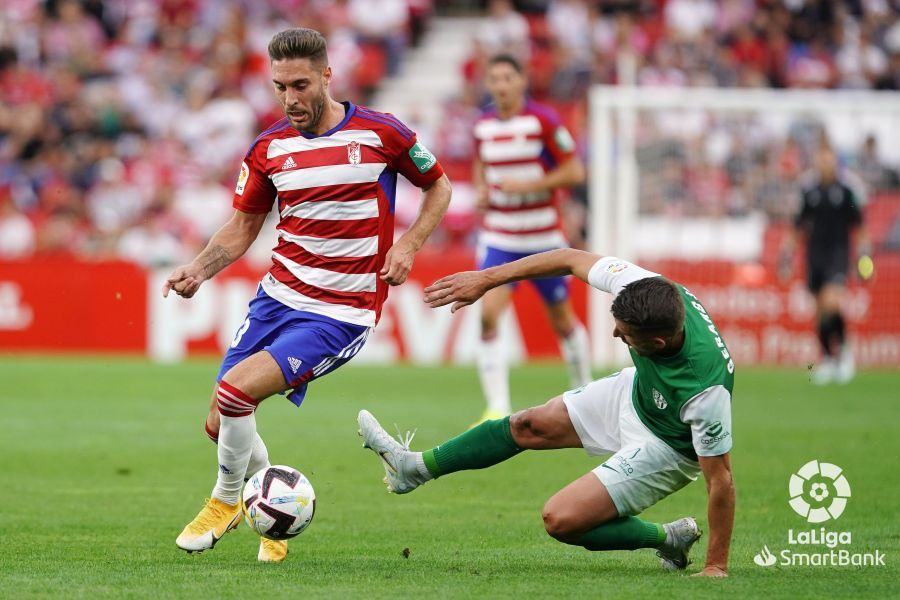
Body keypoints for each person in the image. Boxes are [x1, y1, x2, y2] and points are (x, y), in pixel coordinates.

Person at [165, 28, 451, 562]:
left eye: (300, 85)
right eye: (280, 87)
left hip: (341, 313)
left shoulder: (381, 133)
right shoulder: (269, 148)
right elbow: (242, 226)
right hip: (277, 298)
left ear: (326, 76)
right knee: (220, 420)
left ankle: (224, 501)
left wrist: (409, 244)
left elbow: (440, 185)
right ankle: (272, 524)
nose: (290, 98)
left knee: (235, 394)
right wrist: (199, 269)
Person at [358, 249, 735, 577]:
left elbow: (721, 481)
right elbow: (570, 259)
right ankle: (413, 468)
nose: (615, 335)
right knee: (527, 424)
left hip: (668, 446)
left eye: (625, 334)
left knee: (561, 520)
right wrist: (487, 279)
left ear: (658, 342)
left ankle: (668, 537)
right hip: (638, 392)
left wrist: (716, 567)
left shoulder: (705, 391)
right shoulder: (643, 288)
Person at [471, 53, 590, 424]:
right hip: (500, 237)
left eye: (508, 78)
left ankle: (585, 394)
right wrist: (481, 191)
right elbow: (480, 165)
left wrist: (529, 185)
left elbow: (575, 171)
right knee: (487, 316)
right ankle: (496, 408)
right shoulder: (483, 125)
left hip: (543, 238)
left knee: (562, 321)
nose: (501, 85)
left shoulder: (543, 121)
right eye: (495, 79)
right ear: (488, 84)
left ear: (522, 81)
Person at [781, 143, 871, 384]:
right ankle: (828, 360)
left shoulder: (847, 191)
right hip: (814, 257)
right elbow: (796, 227)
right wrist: (786, 256)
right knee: (821, 311)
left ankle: (844, 353)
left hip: (838, 255)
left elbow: (860, 227)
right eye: (820, 158)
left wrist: (865, 257)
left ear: (835, 161)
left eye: (828, 158)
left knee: (832, 302)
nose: (824, 163)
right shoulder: (809, 192)